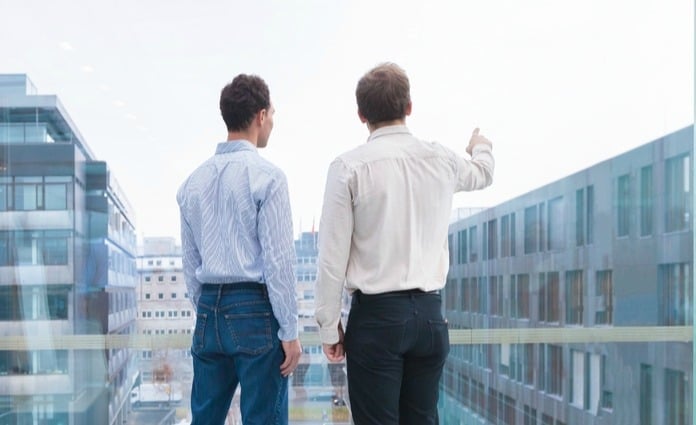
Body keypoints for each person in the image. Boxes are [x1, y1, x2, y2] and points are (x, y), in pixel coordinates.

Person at [314, 63, 495, 425]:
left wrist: (329, 326)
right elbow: (483, 173)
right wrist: (482, 145)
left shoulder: (348, 167)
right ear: (409, 107)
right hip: (430, 319)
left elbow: (331, 259)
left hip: (377, 321)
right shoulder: (440, 159)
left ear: (361, 114)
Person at [177, 74, 302, 425]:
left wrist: (208, 309)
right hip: (253, 311)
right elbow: (279, 262)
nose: (272, 123)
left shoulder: (191, 183)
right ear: (260, 116)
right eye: (273, 115)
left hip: (207, 310)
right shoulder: (268, 177)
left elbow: (190, 265)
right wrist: (289, 332)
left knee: (204, 419)